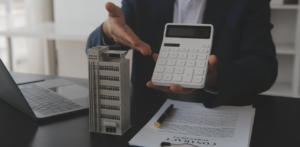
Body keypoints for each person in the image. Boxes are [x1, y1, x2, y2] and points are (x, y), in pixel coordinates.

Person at [86, 0, 278, 108]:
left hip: (220, 110)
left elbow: (263, 66)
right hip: (147, 110)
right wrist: (108, 32)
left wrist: (216, 77)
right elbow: (96, 50)